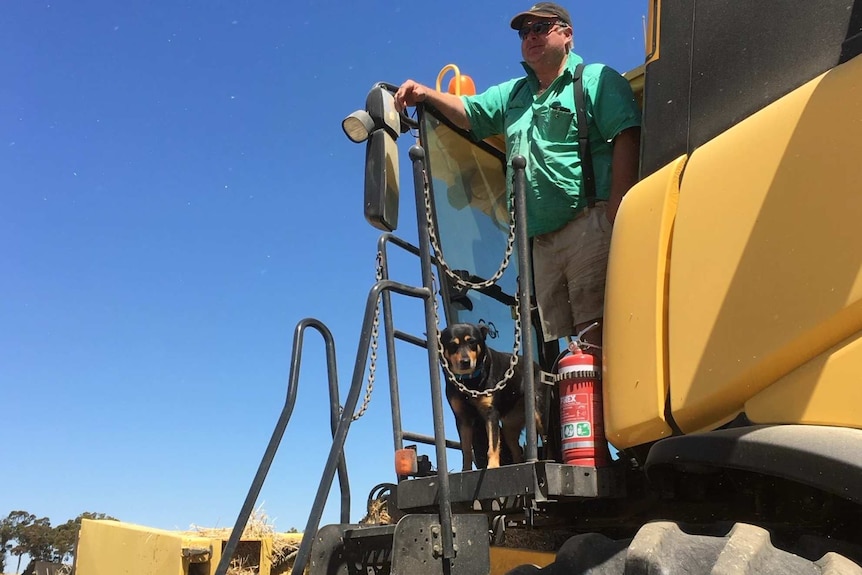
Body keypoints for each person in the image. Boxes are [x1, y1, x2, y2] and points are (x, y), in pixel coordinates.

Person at [393, 2, 641, 352]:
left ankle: (606, 406)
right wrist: (425, 93)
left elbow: (627, 132)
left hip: (587, 223)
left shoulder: (596, 79)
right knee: (568, 344)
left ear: (567, 34)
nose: (531, 37)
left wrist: (618, 209)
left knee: (593, 334)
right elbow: (470, 111)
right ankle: (578, 406)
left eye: (541, 28)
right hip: (538, 242)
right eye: (525, 32)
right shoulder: (514, 95)